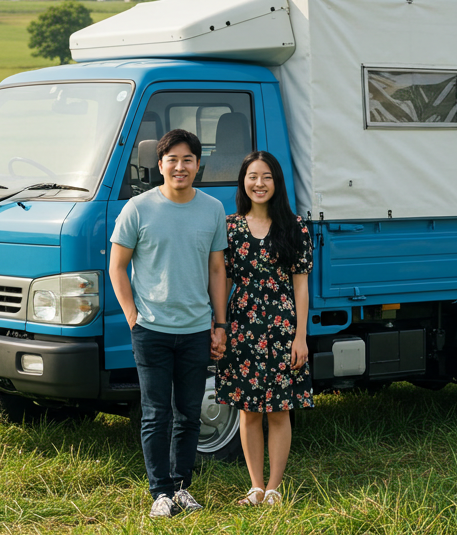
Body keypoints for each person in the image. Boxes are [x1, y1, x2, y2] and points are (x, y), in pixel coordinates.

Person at [109, 128, 229, 518]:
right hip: (152, 330)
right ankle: (159, 491)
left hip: (195, 329)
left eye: (188, 160)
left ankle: (181, 488)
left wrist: (219, 324)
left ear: (198, 166)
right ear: (159, 164)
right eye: (172, 159)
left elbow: (216, 270)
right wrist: (131, 315)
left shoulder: (212, 209)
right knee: (156, 413)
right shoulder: (138, 208)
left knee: (189, 413)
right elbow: (117, 266)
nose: (180, 166)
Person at [215, 150, 313, 506]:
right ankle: (255, 487)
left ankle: (274, 488)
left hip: (282, 328)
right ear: (243, 181)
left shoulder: (295, 226)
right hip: (242, 327)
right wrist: (220, 326)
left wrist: (300, 336)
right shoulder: (230, 227)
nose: (259, 183)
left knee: (279, 409)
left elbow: (300, 285)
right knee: (249, 410)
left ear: (277, 183)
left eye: (267, 177)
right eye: (253, 176)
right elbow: (222, 281)